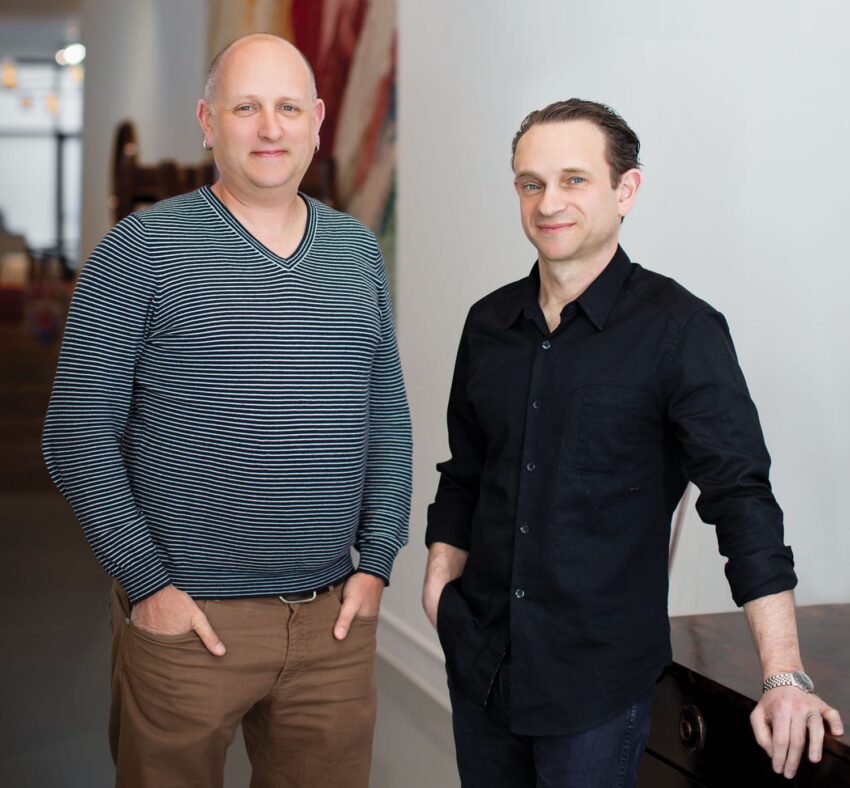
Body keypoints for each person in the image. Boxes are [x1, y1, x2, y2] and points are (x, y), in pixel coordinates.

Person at [422, 98, 843, 787]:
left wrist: (784, 673)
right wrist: (441, 582)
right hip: (483, 666)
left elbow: (741, 499)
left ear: (626, 190)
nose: (548, 202)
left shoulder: (682, 332)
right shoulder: (488, 323)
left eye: (573, 180)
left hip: (596, 685)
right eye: (531, 183)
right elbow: (466, 472)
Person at [42, 33, 411, 788]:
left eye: (286, 109)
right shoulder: (140, 250)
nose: (269, 129)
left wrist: (376, 563)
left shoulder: (356, 252)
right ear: (209, 122)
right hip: (188, 620)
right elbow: (75, 433)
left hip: (331, 620)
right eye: (247, 108)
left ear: (317, 120)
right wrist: (147, 585)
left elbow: (387, 419)